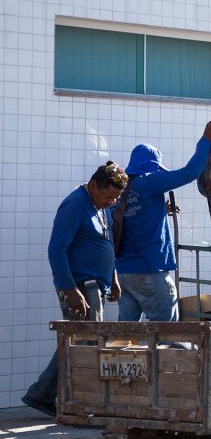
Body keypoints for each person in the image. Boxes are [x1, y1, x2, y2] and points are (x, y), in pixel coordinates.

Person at [22, 162, 127, 417]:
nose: (111, 202)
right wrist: (71, 290)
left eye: (115, 198)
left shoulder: (98, 206)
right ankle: (59, 397)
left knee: (80, 342)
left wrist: (113, 278)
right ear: (93, 186)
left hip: (95, 286)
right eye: (107, 196)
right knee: (84, 344)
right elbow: (56, 250)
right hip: (80, 287)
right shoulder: (75, 205)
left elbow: (106, 242)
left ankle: (43, 394)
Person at [116, 120, 211, 322]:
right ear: (151, 167)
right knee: (167, 334)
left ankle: (121, 355)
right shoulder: (148, 181)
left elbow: (131, 217)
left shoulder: (123, 190)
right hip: (150, 272)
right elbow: (189, 173)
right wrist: (206, 140)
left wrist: (160, 209)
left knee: (126, 335)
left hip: (124, 275)